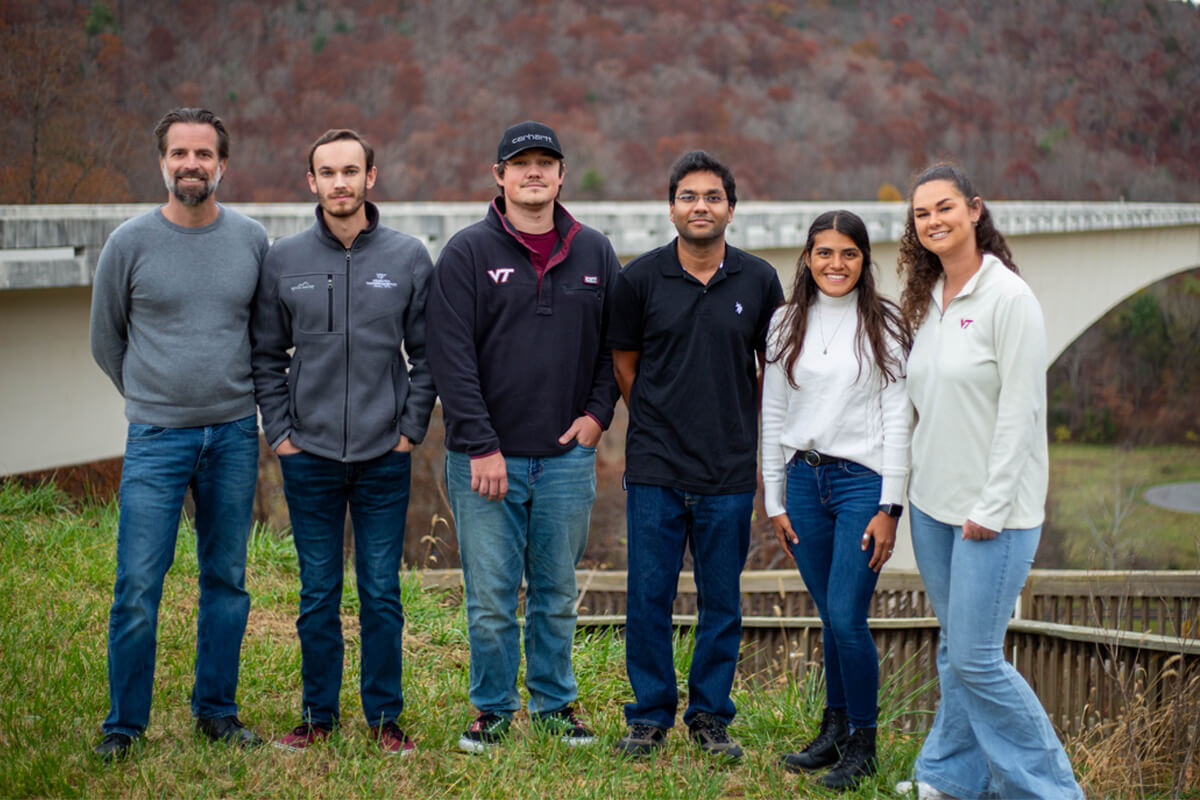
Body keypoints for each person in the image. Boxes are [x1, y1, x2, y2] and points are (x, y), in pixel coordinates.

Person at [425, 121, 620, 753]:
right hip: (486, 460)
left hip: (566, 458)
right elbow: (450, 358)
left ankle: (557, 708)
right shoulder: (466, 253)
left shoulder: (595, 253)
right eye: (521, 163)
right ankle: (493, 711)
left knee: (557, 592)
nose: (533, 172)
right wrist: (481, 445)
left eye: (545, 163)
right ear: (499, 176)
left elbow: (613, 350)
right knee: (490, 599)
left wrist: (597, 416)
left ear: (561, 176)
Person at [894, 163, 1084, 799]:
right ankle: (950, 780)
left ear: (975, 210)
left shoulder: (1009, 298)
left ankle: (1052, 790)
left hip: (992, 515)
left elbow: (1022, 411)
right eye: (921, 214)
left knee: (976, 658)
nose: (933, 221)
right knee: (956, 653)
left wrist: (992, 505)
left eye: (944, 207)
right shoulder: (928, 302)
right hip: (933, 508)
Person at [89, 107, 268, 761]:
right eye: (179, 153)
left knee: (226, 577)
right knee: (138, 582)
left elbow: (263, 336)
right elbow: (106, 339)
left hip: (231, 436)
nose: (191, 164)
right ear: (161, 161)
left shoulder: (250, 240)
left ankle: (216, 712)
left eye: (203, 154)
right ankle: (124, 726)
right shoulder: (128, 244)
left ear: (222, 163)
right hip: (157, 439)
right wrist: (151, 397)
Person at [251, 129, 435, 755]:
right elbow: (266, 355)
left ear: (370, 178)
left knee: (381, 591)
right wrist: (281, 433)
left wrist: (409, 430)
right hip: (310, 455)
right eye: (326, 172)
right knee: (317, 591)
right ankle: (316, 716)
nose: (339, 182)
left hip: (386, 455)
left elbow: (428, 356)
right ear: (312, 182)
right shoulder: (283, 259)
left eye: (350, 171)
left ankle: (386, 718)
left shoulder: (409, 257)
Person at [609, 151, 784, 760]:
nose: (700, 206)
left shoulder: (760, 281)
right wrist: (658, 416)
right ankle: (648, 716)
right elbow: (624, 362)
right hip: (656, 466)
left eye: (712, 197)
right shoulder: (639, 280)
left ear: (731, 209)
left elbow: (773, 369)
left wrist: (735, 418)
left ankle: (710, 717)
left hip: (728, 470)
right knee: (648, 597)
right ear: (672, 207)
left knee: (721, 601)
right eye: (689, 196)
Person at [761, 210, 911, 789]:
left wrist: (889, 507)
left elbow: (900, 421)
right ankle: (834, 731)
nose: (836, 264)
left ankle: (864, 746)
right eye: (824, 253)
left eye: (848, 254)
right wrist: (774, 497)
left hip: (861, 485)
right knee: (830, 614)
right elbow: (773, 412)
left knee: (847, 616)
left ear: (863, 261)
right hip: (803, 482)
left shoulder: (886, 326)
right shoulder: (784, 323)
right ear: (807, 258)